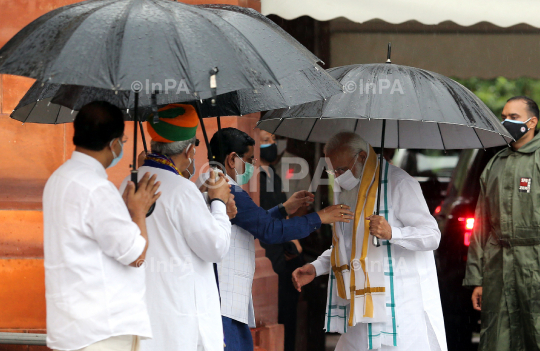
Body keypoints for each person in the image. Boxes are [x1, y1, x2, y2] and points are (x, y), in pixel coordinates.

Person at [292, 132, 447, 351]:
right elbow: (346, 246)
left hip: (399, 308)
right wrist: (316, 267)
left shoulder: (399, 182)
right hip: (360, 306)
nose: (337, 176)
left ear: (363, 157)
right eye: (333, 170)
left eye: (342, 169)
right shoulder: (348, 189)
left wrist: (393, 233)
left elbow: (432, 235)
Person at [205, 127, 354, 351]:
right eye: (248, 159)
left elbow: (257, 222)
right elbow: (269, 230)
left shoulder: (214, 183)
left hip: (225, 295)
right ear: (232, 159)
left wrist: (285, 207)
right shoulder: (226, 189)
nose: (252, 165)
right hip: (224, 297)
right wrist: (319, 217)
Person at [43, 101, 160, 351]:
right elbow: (136, 255)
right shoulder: (96, 188)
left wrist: (123, 210)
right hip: (102, 329)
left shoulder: (58, 178)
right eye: (123, 141)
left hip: (72, 325)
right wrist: (138, 212)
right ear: (114, 144)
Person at [121, 104, 236, 351]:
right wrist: (219, 203)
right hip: (180, 325)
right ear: (189, 149)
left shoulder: (126, 184)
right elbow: (215, 247)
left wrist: (202, 198)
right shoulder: (182, 190)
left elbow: (170, 223)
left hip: (141, 318)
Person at [463, 96, 540, 351]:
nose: (505, 122)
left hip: (535, 264)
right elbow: (480, 227)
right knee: (497, 339)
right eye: (504, 116)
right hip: (498, 267)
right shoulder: (495, 163)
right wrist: (477, 278)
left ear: (532, 122)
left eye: (514, 118)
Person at [258, 129, 304, 351]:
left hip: (282, 253)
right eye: (265, 141)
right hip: (268, 252)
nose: (272, 144)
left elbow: (282, 212)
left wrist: (291, 238)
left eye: (274, 139)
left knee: (287, 313)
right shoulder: (253, 177)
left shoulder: (273, 176)